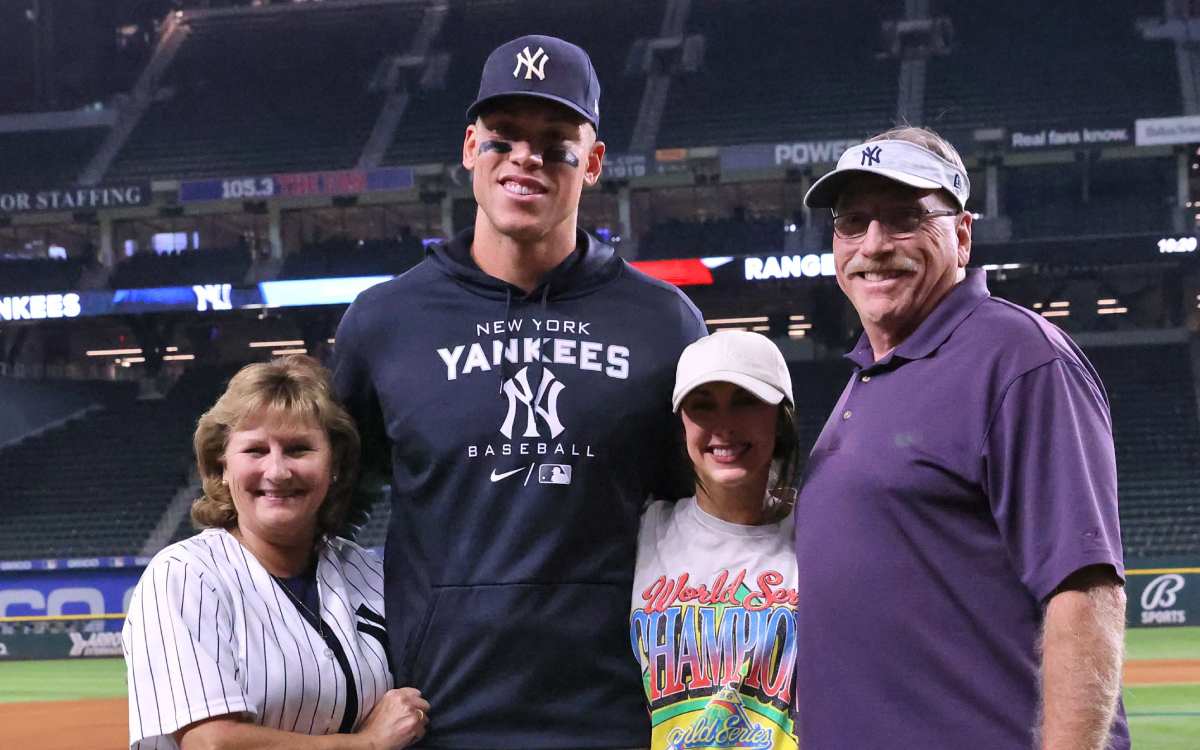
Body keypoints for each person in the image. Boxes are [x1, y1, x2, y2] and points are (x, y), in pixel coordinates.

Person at [332, 35, 706, 747]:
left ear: (592, 162)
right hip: (439, 720)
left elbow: (698, 512)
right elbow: (328, 511)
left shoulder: (664, 323)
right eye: (504, 137)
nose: (525, 157)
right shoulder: (384, 322)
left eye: (556, 141)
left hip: (620, 717)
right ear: (471, 147)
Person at [793, 127, 1128, 748]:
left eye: (903, 219)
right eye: (853, 222)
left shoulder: (1019, 358)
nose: (874, 244)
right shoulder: (867, 373)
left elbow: (1083, 591)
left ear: (963, 234)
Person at [123, 356, 429, 749]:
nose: (278, 471)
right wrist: (367, 744)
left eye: (299, 449)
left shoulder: (368, 574)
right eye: (255, 450)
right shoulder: (185, 575)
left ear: (334, 463)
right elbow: (211, 744)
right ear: (223, 465)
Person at [630, 330, 800, 750]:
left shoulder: (825, 530)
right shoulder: (646, 530)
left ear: (779, 419)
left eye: (745, 402)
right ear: (682, 423)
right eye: (702, 406)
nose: (724, 426)